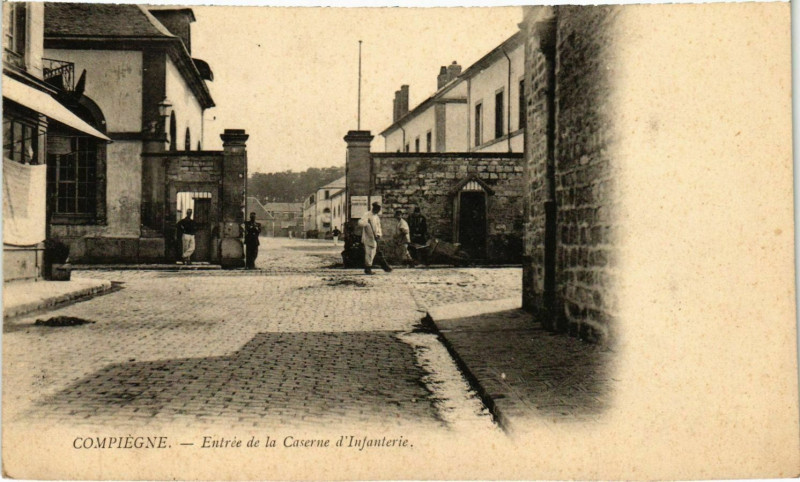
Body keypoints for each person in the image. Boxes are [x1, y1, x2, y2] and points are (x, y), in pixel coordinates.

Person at [357, 202, 392, 275]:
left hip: (374, 237)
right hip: (368, 237)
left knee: (373, 253)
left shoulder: (377, 217)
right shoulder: (367, 214)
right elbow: (360, 222)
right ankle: (368, 269)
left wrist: (379, 234)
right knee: (369, 253)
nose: (378, 211)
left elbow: (379, 227)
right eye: (377, 209)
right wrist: (366, 223)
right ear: (374, 208)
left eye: (379, 209)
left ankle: (381, 266)